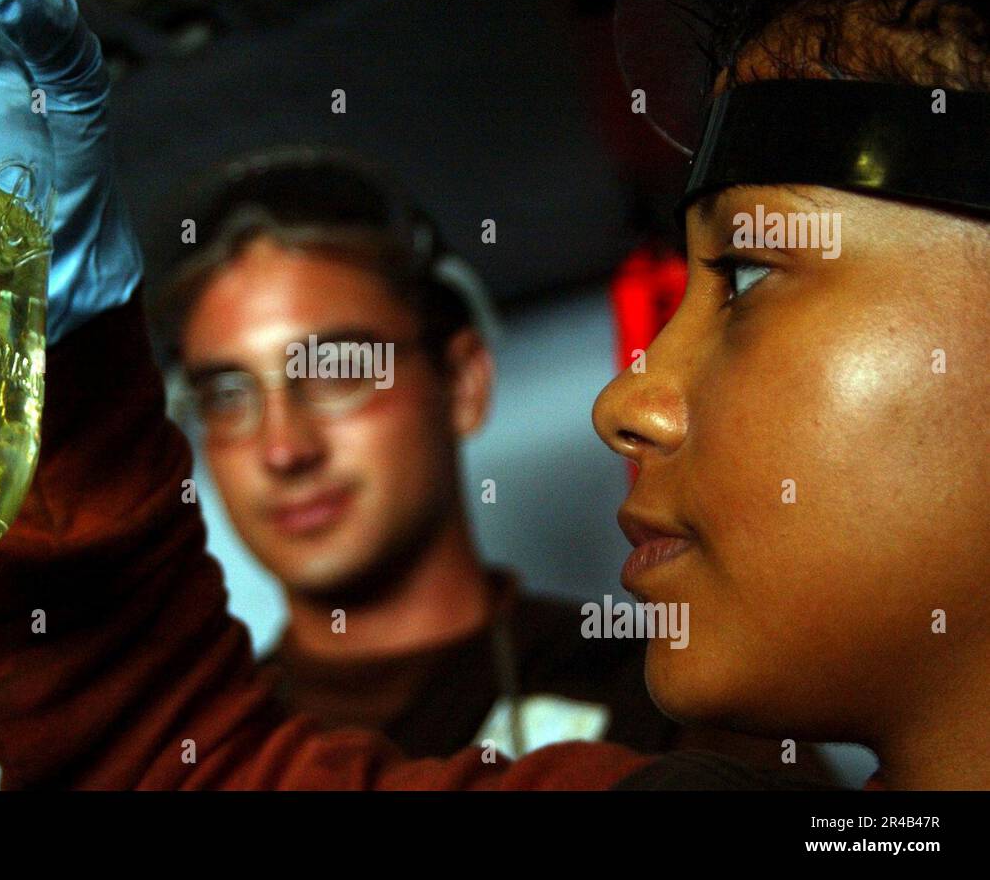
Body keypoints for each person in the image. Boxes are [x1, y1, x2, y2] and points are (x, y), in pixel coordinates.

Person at [0, 0, 983, 789]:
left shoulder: (675, 724)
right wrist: (49, 331)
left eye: (748, 277)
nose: (625, 396)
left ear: (461, 374)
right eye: (222, 393)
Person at [146, 145, 815, 766]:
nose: (284, 448)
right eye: (228, 394)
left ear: (464, 383)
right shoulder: (196, 750)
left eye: (337, 370)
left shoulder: (678, 702)